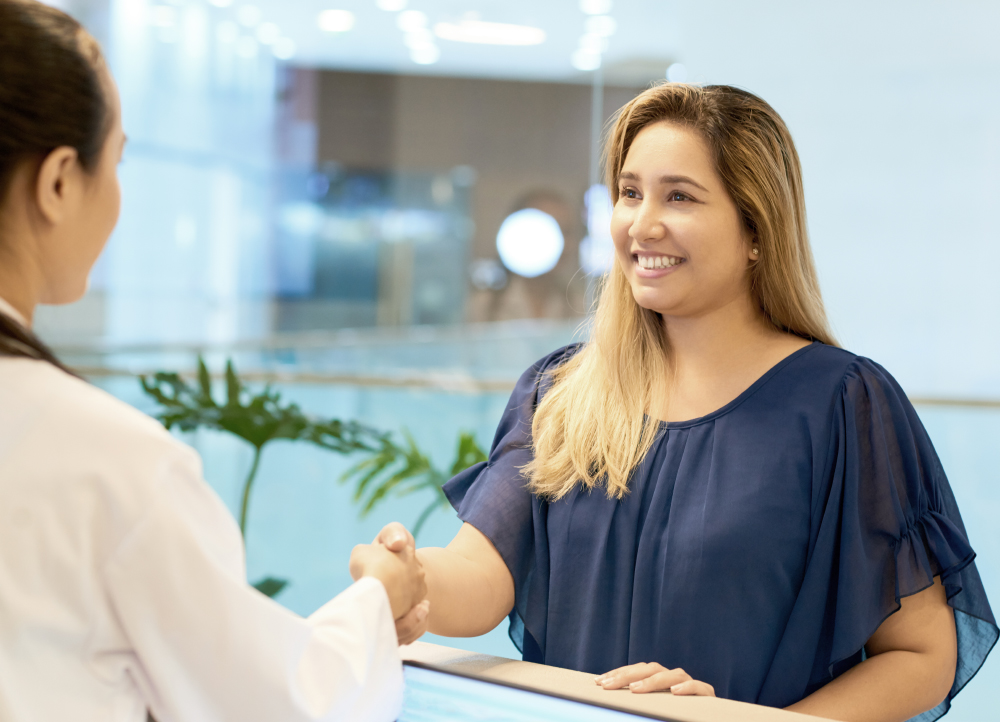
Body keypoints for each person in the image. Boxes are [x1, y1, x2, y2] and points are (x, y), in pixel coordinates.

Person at [374, 83, 997, 721]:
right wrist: (409, 581)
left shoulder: (842, 404)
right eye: (629, 193)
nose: (643, 224)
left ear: (757, 228)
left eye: (679, 196)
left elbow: (923, 655)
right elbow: (482, 576)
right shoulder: (560, 392)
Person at [0, 2, 428, 720]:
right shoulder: (108, 463)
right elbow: (285, 706)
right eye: (119, 160)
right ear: (59, 182)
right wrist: (381, 597)